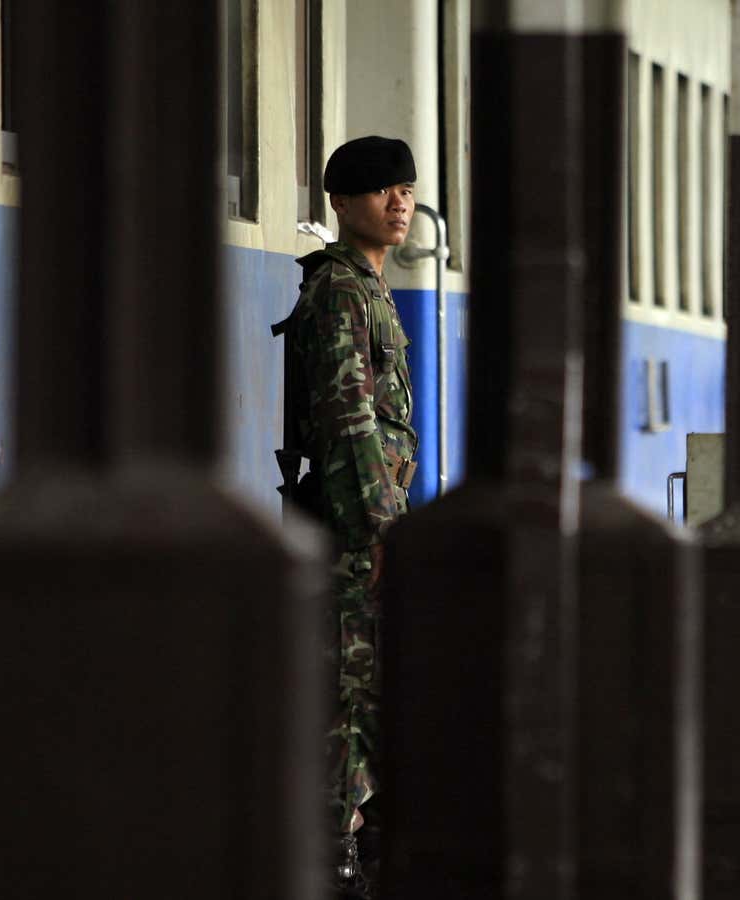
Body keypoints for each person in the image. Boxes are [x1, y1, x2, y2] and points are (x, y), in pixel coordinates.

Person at [281, 135, 418, 897]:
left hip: (365, 526)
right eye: (380, 190)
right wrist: (383, 526)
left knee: (365, 692)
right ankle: (332, 854)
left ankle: (345, 849)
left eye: (404, 189)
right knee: (349, 692)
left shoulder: (368, 287)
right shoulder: (339, 292)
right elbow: (348, 423)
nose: (398, 202)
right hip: (354, 532)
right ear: (341, 203)